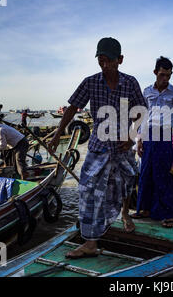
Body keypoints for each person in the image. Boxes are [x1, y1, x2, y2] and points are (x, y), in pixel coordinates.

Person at [48, 37, 146, 258]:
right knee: (88, 191)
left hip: (122, 146)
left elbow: (141, 111)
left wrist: (132, 137)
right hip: (99, 147)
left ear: (120, 60)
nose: (104, 66)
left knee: (126, 183)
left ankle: (125, 213)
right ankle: (90, 243)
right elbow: (72, 108)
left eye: (108, 61)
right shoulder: (90, 82)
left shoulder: (130, 83)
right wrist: (56, 134)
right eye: (100, 61)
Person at [134, 56, 173, 228]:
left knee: (164, 174)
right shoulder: (147, 91)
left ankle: (167, 214)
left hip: (164, 136)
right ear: (155, 72)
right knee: (146, 172)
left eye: (168, 76)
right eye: (162, 75)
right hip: (147, 135)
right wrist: (139, 139)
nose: (165, 79)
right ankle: (145, 209)